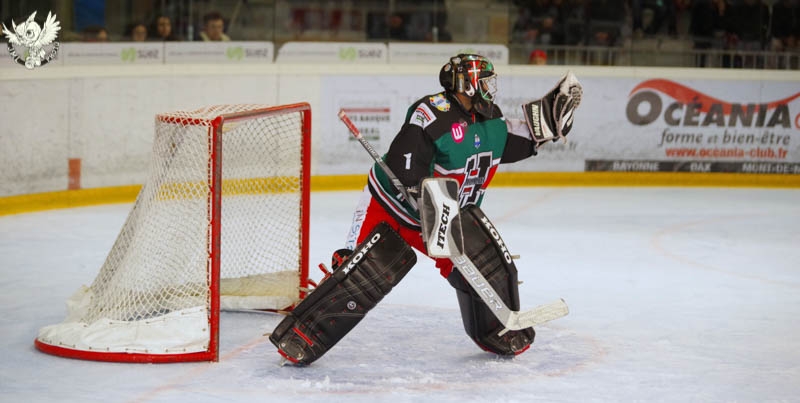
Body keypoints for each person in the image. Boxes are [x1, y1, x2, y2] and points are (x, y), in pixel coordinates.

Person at [269, 54, 582, 365]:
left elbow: (518, 141)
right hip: (389, 207)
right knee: (355, 270)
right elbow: (404, 160)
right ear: (467, 84)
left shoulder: (491, 120)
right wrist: (416, 186)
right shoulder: (432, 113)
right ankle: (305, 331)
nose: (490, 87)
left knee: (481, 272)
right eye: (484, 81)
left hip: (442, 219)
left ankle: (494, 329)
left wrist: (549, 122)